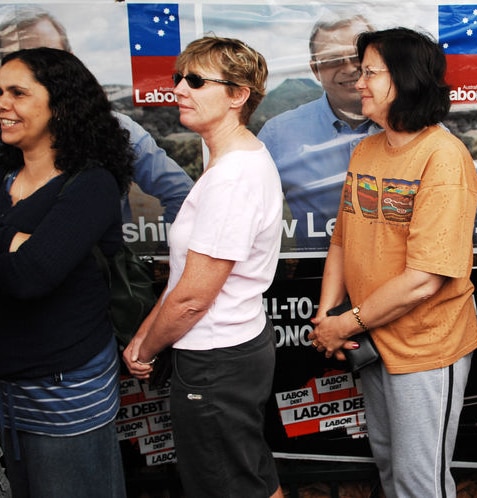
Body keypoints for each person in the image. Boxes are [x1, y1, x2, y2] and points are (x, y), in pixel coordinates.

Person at [308, 27, 477, 497]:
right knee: (389, 466)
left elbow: (425, 280)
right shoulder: (367, 148)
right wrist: (329, 313)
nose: (358, 82)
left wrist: (345, 326)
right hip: (371, 341)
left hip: (425, 348)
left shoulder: (443, 157)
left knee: (419, 481)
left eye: (369, 72)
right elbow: (342, 239)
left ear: (404, 78)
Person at [122, 36, 283, 498]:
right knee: (246, 474)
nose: (178, 89)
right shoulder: (232, 160)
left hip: (215, 358)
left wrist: (146, 348)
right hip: (230, 348)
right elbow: (186, 281)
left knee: (228, 483)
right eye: (178, 78)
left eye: (195, 80)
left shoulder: (233, 176)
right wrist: (145, 333)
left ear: (238, 95)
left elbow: (194, 298)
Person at [0, 47, 134, 497]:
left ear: (59, 104)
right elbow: (22, 265)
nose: (2, 104)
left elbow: (30, 277)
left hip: (64, 389)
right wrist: (15, 243)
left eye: (17, 93)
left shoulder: (90, 182)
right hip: (9, 391)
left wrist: (24, 252)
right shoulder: (4, 178)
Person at [258, 13, 477, 251]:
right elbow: (251, 207)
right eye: (332, 60)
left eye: (357, 59)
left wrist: (433, 248)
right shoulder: (279, 132)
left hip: (406, 272)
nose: (350, 69)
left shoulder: (425, 134)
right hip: (317, 271)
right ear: (315, 70)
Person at [0, 5, 194, 223]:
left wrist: (172, 249)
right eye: (14, 58)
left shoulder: (114, 130)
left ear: (71, 62)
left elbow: (183, 196)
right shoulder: (8, 131)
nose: (28, 70)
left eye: (46, 59)